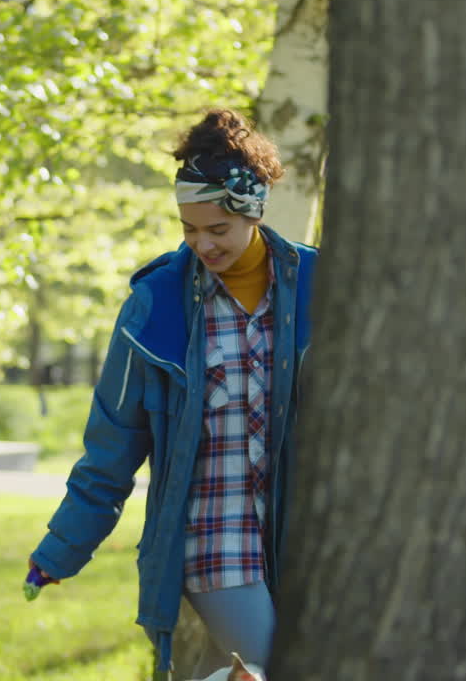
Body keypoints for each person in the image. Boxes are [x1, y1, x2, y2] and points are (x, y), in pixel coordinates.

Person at [27, 108, 317, 679]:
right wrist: (62, 549)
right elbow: (112, 444)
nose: (202, 244)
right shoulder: (155, 304)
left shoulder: (316, 284)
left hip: (297, 536)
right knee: (279, 667)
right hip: (213, 537)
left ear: (253, 212)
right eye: (189, 228)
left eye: (218, 229)